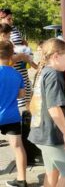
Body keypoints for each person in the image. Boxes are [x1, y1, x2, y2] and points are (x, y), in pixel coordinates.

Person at [28, 38, 65, 187]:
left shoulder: (43, 71)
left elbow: (44, 106)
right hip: (51, 135)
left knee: (52, 173)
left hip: (42, 132)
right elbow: (53, 108)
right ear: (55, 56)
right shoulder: (54, 75)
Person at [0, 41, 27, 187]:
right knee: (18, 147)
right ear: (11, 55)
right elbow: (21, 95)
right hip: (12, 115)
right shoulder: (16, 74)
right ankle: (22, 180)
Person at [0, 8, 34, 113]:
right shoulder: (2, 33)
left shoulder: (14, 29)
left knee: (28, 95)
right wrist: (19, 56)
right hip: (12, 69)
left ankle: (27, 123)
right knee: (19, 99)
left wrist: (24, 46)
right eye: (9, 19)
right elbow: (4, 57)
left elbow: (21, 42)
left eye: (12, 19)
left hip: (22, 68)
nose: (11, 21)